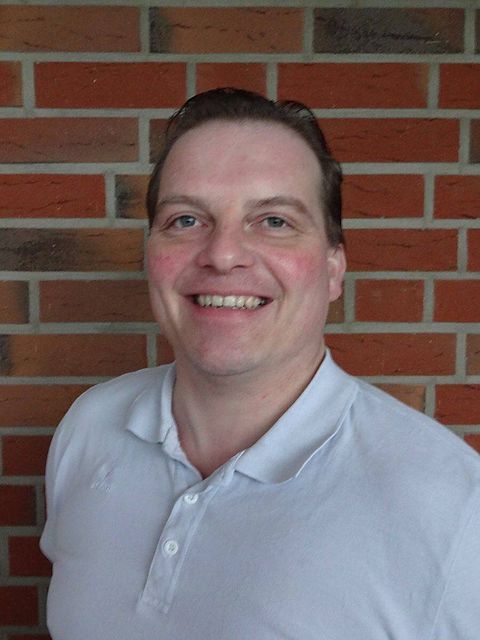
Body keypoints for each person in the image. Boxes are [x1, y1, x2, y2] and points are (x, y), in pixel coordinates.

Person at [41, 88, 480, 639]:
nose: (223, 254)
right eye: (185, 219)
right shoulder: (91, 426)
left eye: (273, 221)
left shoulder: (452, 505)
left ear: (334, 268)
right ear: (150, 253)